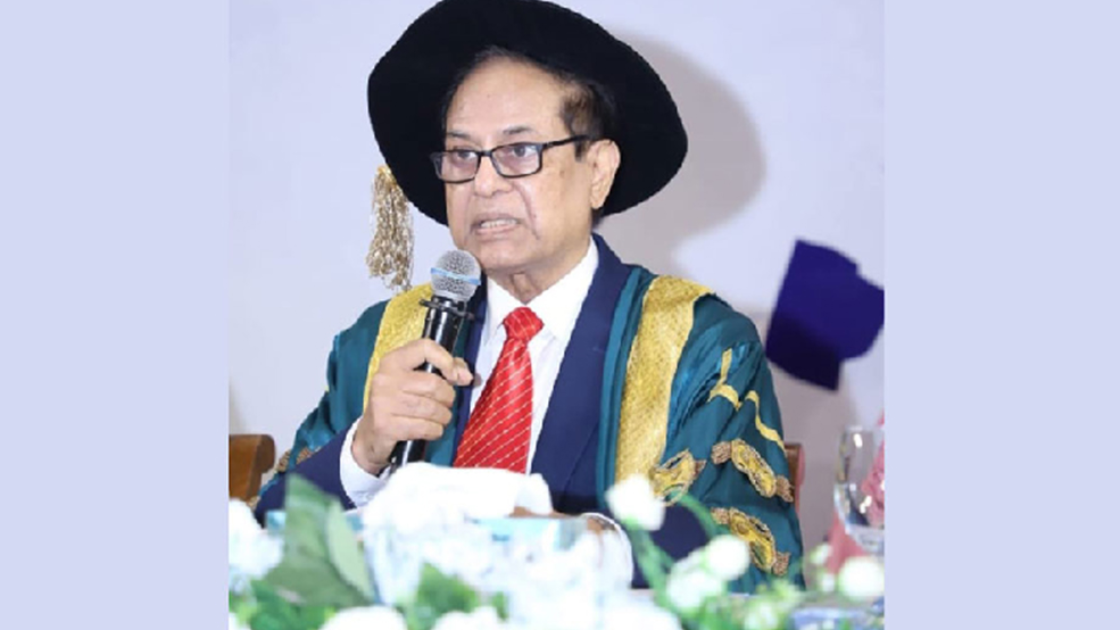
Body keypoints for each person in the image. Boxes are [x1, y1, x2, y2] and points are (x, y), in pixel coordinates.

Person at [254, 0, 803, 591]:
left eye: (519, 151)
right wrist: (363, 451)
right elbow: (263, 550)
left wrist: (579, 548)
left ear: (598, 170)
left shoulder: (697, 346)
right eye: (462, 155)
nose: (483, 182)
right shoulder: (383, 340)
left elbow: (748, 556)